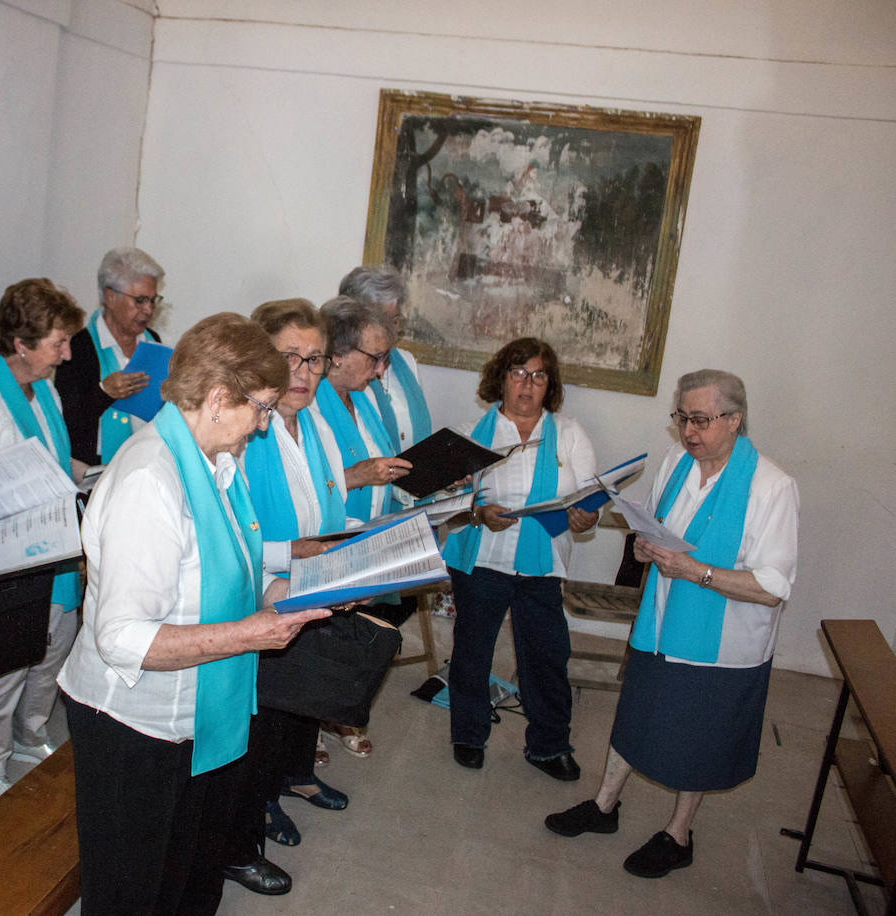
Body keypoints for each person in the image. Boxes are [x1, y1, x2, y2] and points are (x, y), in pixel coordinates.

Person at [57, 313, 329, 915]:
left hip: (201, 709)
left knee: (188, 877)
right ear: (215, 399)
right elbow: (122, 639)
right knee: (134, 888)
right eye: (260, 407)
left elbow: (229, 572)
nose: (263, 425)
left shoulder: (213, 465)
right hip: (135, 725)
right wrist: (250, 633)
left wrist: (291, 592)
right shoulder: (149, 481)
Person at [546, 370, 798, 879]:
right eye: (681, 418)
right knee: (636, 712)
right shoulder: (678, 464)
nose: (688, 431)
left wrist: (695, 571)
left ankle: (679, 834)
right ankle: (604, 806)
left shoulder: (772, 487)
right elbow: (658, 531)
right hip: (660, 622)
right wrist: (644, 547)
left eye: (700, 420)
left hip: (720, 643)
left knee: (698, 737)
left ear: (735, 421)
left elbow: (773, 587)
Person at [226, 299, 350, 889]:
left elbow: (327, 497)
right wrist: (291, 555)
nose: (303, 372)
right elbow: (235, 528)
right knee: (262, 712)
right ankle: (246, 822)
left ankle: (285, 781)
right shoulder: (251, 427)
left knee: (299, 695)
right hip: (260, 592)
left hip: (310, 580)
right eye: (289, 357)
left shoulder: (315, 419)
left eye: (315, 358)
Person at [0, 278, 87, 804]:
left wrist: (90, 474)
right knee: (5, 664)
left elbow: (52, 456)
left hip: (52, 543)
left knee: (53, 646)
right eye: (57, 342)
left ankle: (31, 734)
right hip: (5, 551)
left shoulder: (43, 386)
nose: (67, 353)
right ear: (22, 344)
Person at [441, 337, 597, 779]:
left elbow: (588, 494)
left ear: (550, 385)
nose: (527, 385)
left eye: (539, 375)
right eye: (518, 373)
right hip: (483, 557)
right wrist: (478, 513)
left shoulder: (569, 434)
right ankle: (468, 735)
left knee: (547, 655)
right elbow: (449, 503)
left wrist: (586, 516)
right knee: (473, 653)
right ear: (501, 379)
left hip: (542, 563)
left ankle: (549, 746)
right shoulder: (474, 434)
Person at [311, 295, 412, 757]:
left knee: (346, 645)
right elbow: (308, 477)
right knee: (317, 647)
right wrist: (358, 476)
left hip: (366, 541)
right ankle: (307, 731)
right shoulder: (311, 401)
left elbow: (382, 458)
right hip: (326, 544)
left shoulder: (364, 400)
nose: (379, 370)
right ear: (337, 352)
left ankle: (329, 715)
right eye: (374, 358)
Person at [53, 246, 164, 466]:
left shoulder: (152, 341)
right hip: (94, 472)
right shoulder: (78, 348)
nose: (149, 310)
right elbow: (65, 423)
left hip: (146, 464)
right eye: (140, 300)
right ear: (110, 297)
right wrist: (103, 392)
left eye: (153, 300)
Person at [339, 264, 433, 458]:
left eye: (396, 320)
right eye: (383, 321)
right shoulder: (344, 370)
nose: (393, 330)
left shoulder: (407, 362)